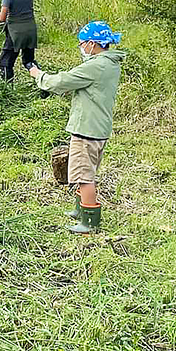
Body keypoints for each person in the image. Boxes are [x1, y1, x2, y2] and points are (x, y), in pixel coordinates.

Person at [28, 21, 125, 234]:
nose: (81, 48)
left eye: (82, 44)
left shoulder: (95, 66)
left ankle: (89, 221)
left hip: (87, 129)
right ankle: (79, 210)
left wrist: (39, 75)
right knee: (86, 170)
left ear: (92, 44)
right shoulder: (110, 63)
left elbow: (62, 81)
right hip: (99, 126)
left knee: (84, 176)